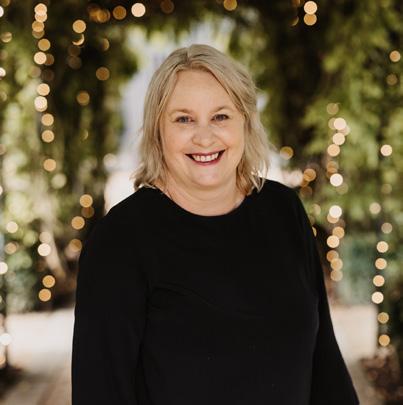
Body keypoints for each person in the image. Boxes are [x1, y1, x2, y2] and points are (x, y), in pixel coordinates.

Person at [71, 44, 360, 404]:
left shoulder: (283, 211)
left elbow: (325, 364)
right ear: (158, 131)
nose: (204, 137)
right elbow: (100, 393)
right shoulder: (120, 241)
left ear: (245, 123)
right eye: (184, 119)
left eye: (220, 116)